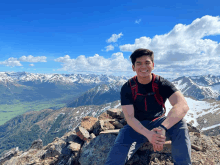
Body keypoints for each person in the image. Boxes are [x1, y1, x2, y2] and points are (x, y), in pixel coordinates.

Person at [105, 48, 191, 165]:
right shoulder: (128, 87)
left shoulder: (162, 83)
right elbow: (130, 118)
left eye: (147, 63)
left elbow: (182, 105)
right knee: (115, 157)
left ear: (153, 65)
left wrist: (162, 128)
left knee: (181, 125)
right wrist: (149, 135)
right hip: (136, 126)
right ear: (133, 67)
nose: (143, 67)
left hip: (159, 122)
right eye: (138, 63)